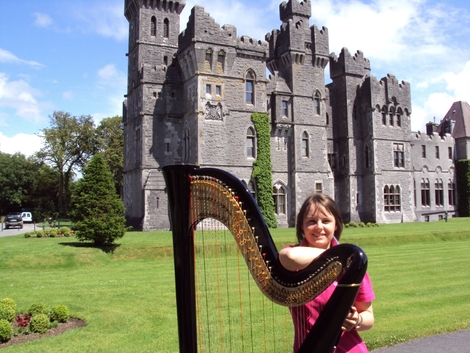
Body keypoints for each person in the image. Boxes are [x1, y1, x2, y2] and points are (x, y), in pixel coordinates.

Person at [279, 193, 375, 353]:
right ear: (301, 226)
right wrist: (340, 256)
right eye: (311, 221)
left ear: (336, 224)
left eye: (326, 221)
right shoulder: (293, 255)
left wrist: (357, 320)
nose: (318, 227)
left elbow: (369, 317)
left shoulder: (353, 263)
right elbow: (289, 257)